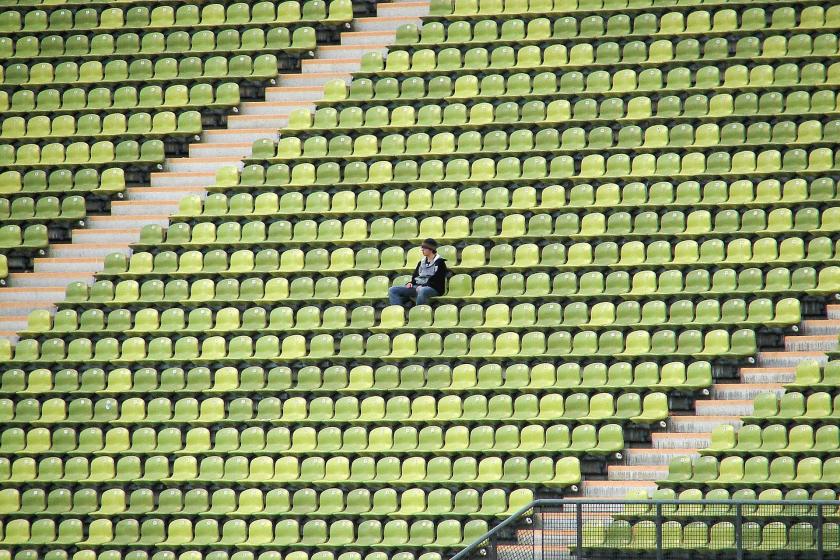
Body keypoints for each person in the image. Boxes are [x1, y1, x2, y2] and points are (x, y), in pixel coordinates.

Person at [388, 238, 448, 307]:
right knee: (392, 290)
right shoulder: (421, 262)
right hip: (418, 286)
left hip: (433, 288)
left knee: (422, 290)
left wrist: (423, 286)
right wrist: (410, 283)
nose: (422, 249)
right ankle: (399, 313)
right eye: (422, 248)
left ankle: (418, 313)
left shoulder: (440, 263)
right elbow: (415, 277)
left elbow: (438, 280)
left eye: (424, 248)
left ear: (431, 249)